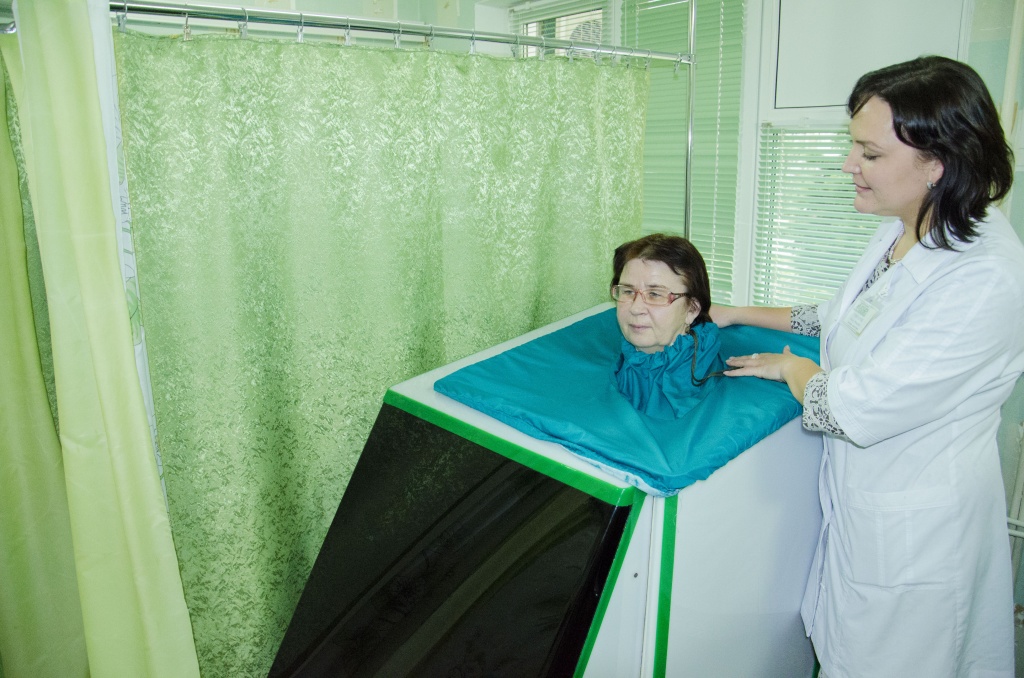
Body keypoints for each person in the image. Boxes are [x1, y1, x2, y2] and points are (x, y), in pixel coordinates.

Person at [712, 56, 1023, 677]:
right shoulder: (907, 223)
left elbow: (848, 407)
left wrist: (791, 369)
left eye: (870, 153)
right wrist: (736, 311)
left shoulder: (985, 278)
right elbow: (844, 313)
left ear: (937, 164)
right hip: (865, 513)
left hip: (919, 536)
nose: (849, 165)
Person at [610, 233, 724, 419]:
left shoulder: (704, 387)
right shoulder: (616, 363)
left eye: (655, 294)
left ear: (692, 310)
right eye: (628, 291)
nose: (636, 308)